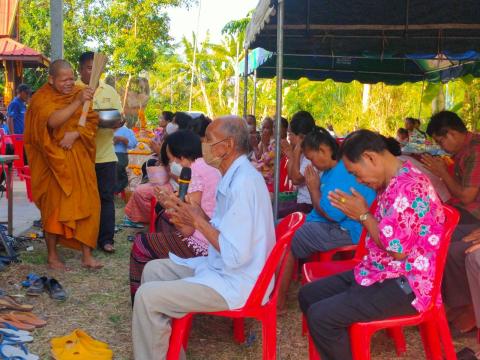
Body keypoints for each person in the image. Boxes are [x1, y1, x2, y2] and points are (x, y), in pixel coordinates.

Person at [132, 116, 275, 359]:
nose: (203, 146)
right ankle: (169, 353)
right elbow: (221, 230)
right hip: (223, 267)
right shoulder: (232, 175)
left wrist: (197, 220)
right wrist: (190, 218)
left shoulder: (243, 183)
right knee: (153, 270)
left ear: (227, 145)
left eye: (209, 140)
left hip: (240, 281)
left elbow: (236, 255)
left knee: (147, 297)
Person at [299, 129, 445, 360]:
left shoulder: (410, 187)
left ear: (370, 158)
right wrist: (361, 213)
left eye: (356, 173)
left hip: (407, 283)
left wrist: (363, 216)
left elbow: (397, 252)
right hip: (379, 271)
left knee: (321, 317)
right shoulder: (392, 180)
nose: (358, 180)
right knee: (308, 294)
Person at [278, 127, 376, 310]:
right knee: (282, 226)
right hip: (329, 223)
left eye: (312, 158)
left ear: (323, 150)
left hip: (347, 229)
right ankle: (276, 288)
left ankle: (279, 298)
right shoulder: (332, 170)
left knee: (289, 238)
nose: (312, 164)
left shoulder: (343, 171)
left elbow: (331, 215)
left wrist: (313, 189)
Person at [24, 59, 102, 270]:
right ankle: (52, 256)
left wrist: (76, 134)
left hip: (79, 160)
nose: (69, 83)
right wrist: (77, 101)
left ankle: (87, 255)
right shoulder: (42, 98)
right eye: (63, 79)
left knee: (88, 205)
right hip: (54, 164)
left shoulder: (79, 91)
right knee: (54, 210)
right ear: (51, 79)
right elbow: (51, 122)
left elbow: (92, 122)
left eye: (71, 78)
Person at [129, 130, 221, 299]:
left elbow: (187, 229)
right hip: (212, 237)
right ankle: (159, 281)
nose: (171, 165)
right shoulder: (208, 168)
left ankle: (141, 298)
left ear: (182, 156)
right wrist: (169, 203)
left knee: (140, 244)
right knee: (163, 219)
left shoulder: (194, 173)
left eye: (172, 160)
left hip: (203, 243)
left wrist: (168, 204)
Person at [421, 110, 480, 333]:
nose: (442, 145)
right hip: (469, 213)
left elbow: (467, 197)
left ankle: (468, 310)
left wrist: (443, 173)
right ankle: (456, 303)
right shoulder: (466, 151)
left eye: (442, 139)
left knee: (453, 249)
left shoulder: (475, 151)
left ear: (454, 133)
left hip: (474, 214)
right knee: (435, 238)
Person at [77, 51, 123, 253]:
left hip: (105, 156)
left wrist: (116, 121)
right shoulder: (74, 89)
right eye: (89, 68)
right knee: (83, 199)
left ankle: (106, 240)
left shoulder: (109, 91)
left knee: (106, 198)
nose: (93, 72)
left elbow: (118, 118)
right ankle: (84, 239)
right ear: (80, 69)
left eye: (97, 68)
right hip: (80, 157)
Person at [281, 110, 316, 214]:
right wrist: (292, 156)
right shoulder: (301, 151)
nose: (289, 138)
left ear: (300, 136)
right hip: (300, 201)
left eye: (290, 134)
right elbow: (291, 176)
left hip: (308, 205)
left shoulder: (311, 154)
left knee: (275, 216)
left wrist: (295, 152)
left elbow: (296, 179)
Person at [113, 124, 138, 193]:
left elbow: (133, 144)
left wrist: (123, 139)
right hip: (103, 155)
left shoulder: (125, 130)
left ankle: (119, 189)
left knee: (118, 167)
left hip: (119, 155)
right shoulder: (102, 129)